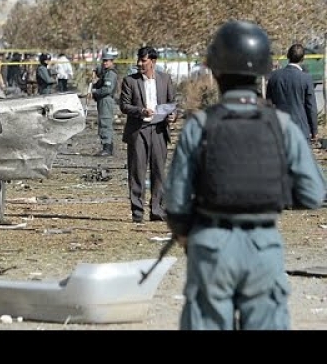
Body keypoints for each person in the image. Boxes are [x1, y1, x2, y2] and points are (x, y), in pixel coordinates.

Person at [164, 20, 326, 330]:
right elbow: (313, 193)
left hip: (210, 245)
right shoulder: (281, 126)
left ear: (216, 72)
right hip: (264, 247)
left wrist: (189, 236)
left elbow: (176, 201)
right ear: (262, 72)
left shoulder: (199, 126)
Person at [119, 46, 176, 222]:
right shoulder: (130, 81)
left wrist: (173, 116)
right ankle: (137, 212)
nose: (139, 64)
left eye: (143, 60)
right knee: (137, 171)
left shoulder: (165, 79)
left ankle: (157, 210)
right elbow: (124, 105)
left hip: (159, 131)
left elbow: (172, 103)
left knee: (159, 172)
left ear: (153, 61)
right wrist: (141, 111)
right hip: (138, 131)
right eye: (139, 60)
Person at [265, 43, 318, 142]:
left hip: (280, 127)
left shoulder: (274, 76)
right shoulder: (306, 78)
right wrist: (314, 130)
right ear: (303, 59)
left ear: (288, 56)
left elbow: (268, 103)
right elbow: (311, 106)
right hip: (301, 129)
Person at [91, 47, 119, 156]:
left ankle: (107, 148)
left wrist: (95, 91)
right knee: (103, 122)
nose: (105, 63)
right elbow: (99, 71)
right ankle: (107, 146)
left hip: (106, 100)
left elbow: (107, 89)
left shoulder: (111, 74)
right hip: (103, 100)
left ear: (112, 61)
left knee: (105, 123)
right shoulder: (106, 72)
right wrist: (95, 70)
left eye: (107, 61)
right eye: (104, 60)